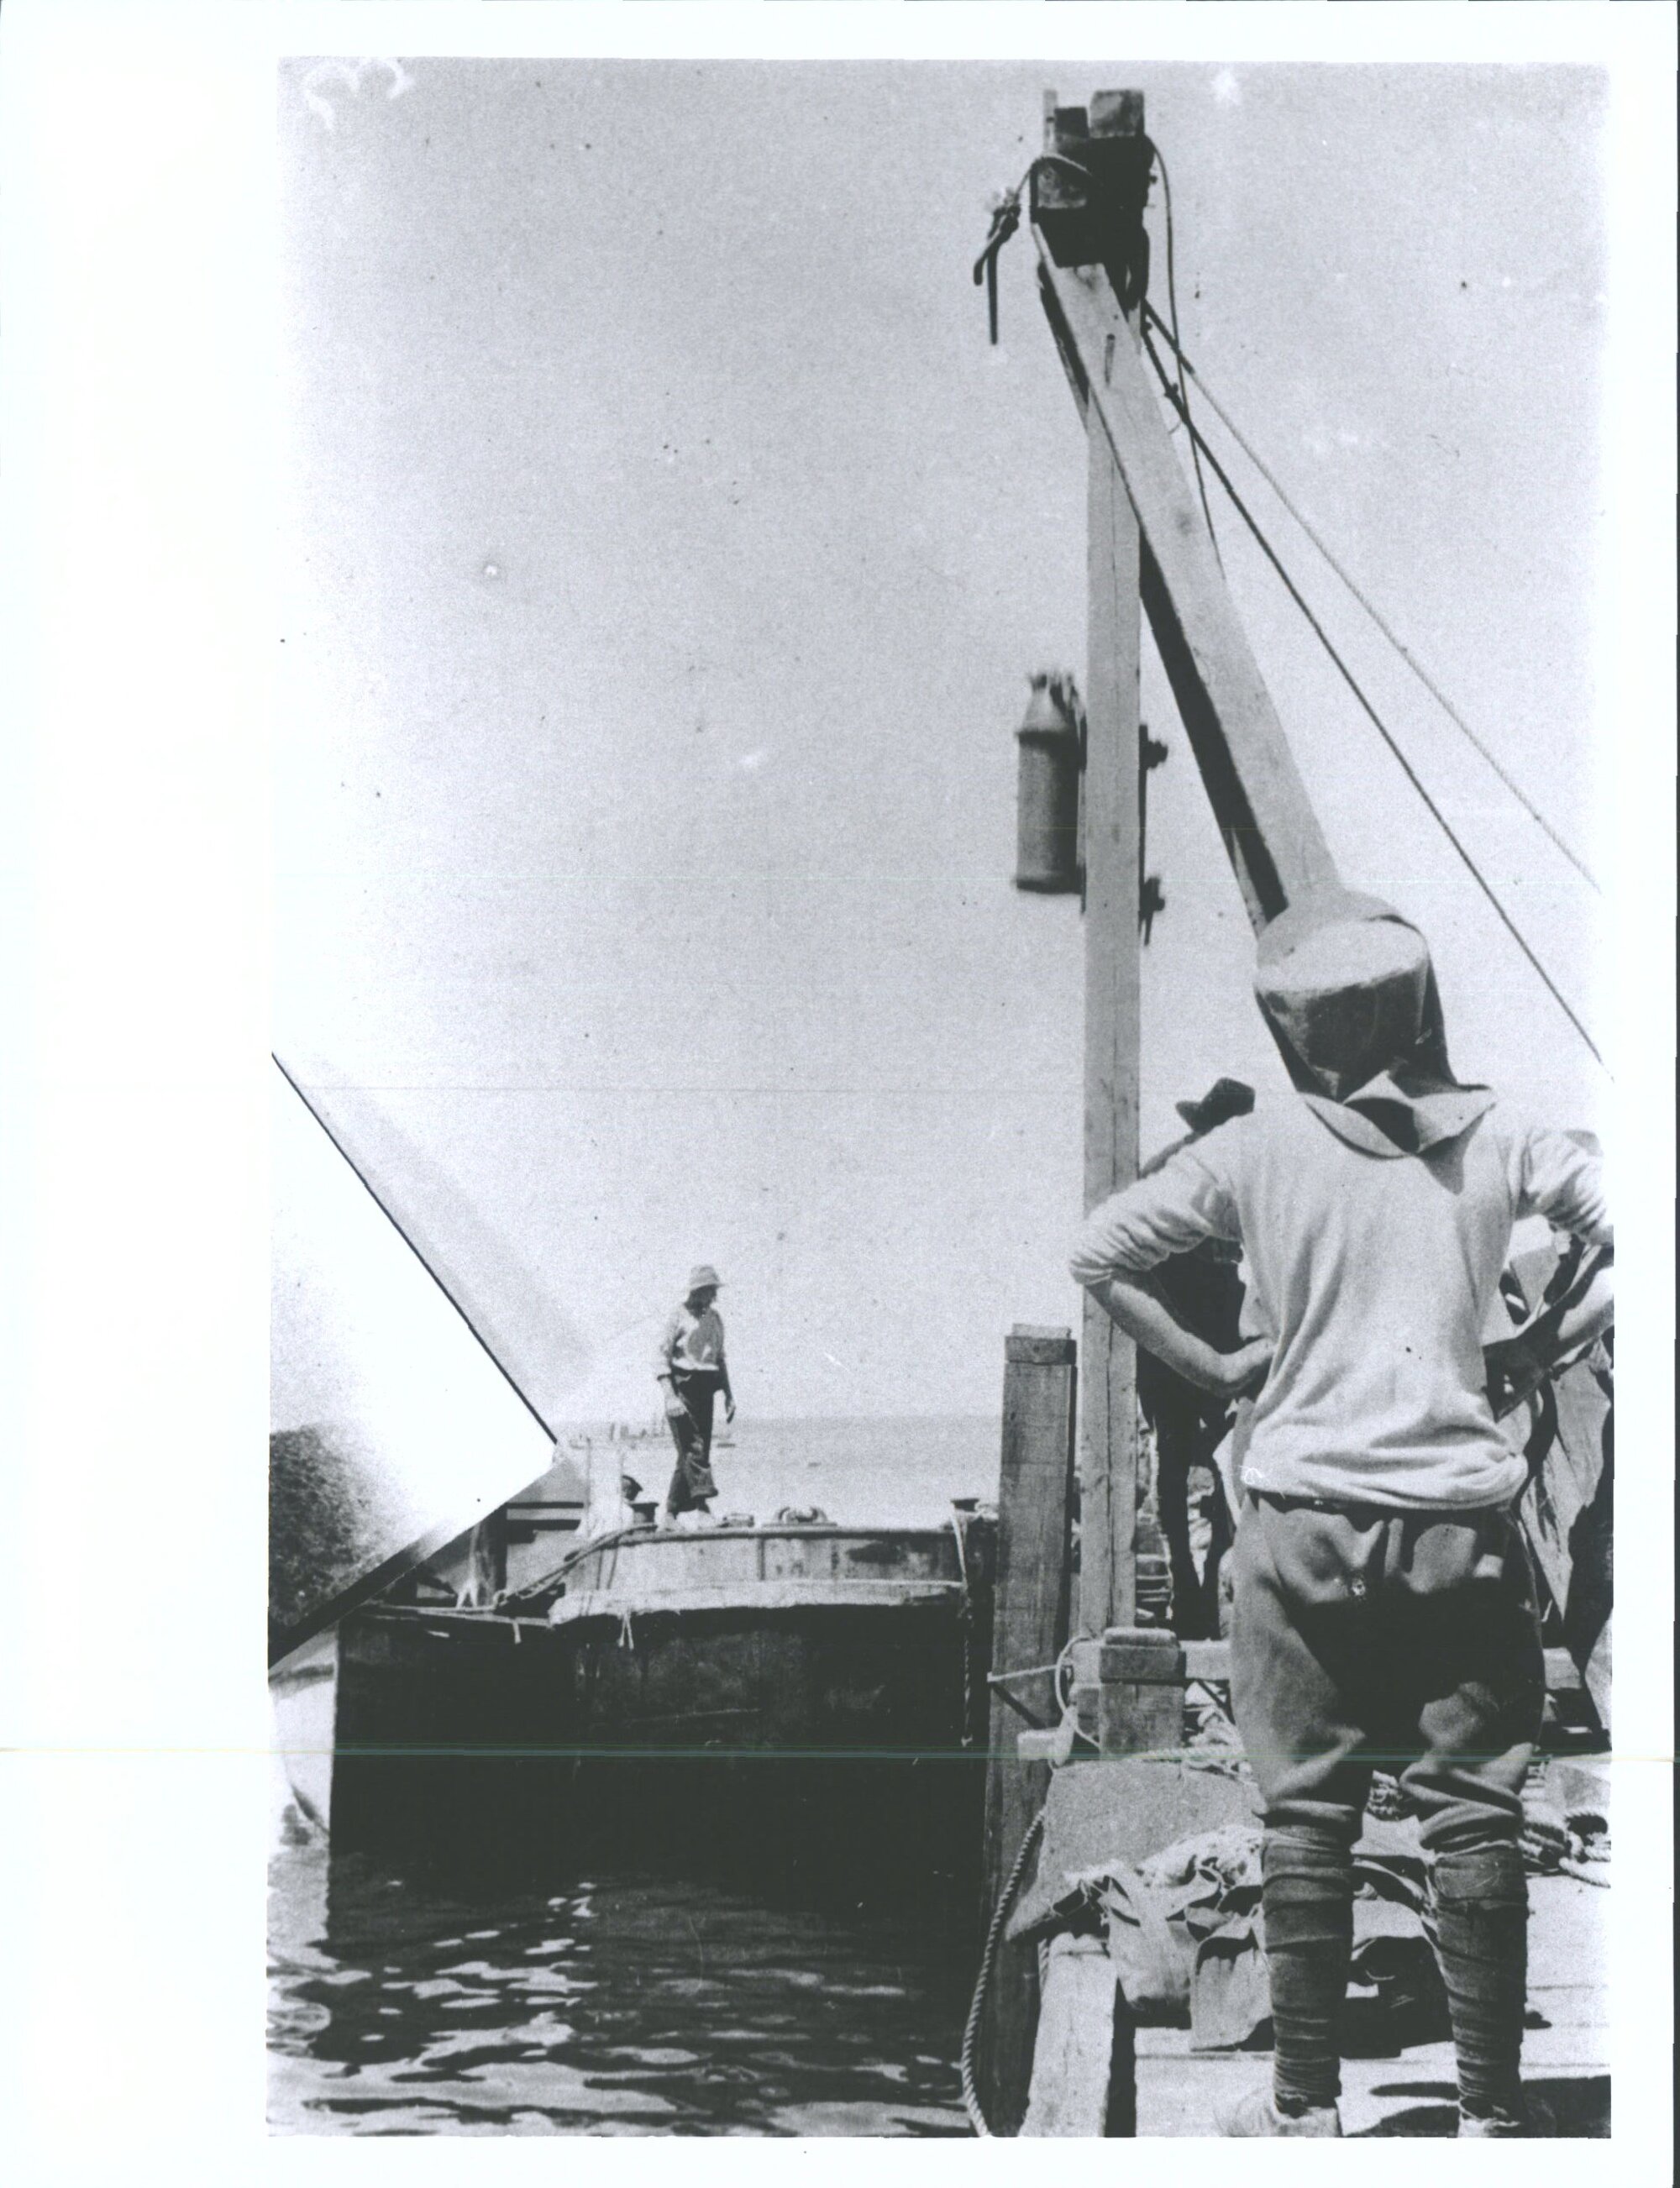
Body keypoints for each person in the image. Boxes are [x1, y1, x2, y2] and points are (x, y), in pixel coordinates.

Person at [1068, 889, 1611, 2139]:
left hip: (1300, 1524)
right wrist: (1539, 1348)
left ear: (1296, 1030)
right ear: (1419, 1010)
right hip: (1460, 1531)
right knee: (1476, 1809)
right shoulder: (1509, 1139)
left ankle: (1304, 2109)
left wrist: (1212, 1372)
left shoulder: (1251, 1150)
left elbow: (1099, 1253)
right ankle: (1490, 2112)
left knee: (1303, 1813)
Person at [1136, 1077, 1255, 1636]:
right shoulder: (1168, 1171)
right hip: (1172, 1347)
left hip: (1225, 1340)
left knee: (1229, 1459)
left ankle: (1216, 1584)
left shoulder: (1247, 1179)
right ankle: (1188, 1585)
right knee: (1176, 1464)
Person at [656, 1265, 736, 1524]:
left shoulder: (715, 1319)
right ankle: (702, 1508)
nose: (713, 1296)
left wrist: (728, 1395)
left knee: (692, 1452)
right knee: (693, 1448)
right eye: (710, 1291)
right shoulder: (677, 1316)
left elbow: (719, 1358)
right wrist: (670, 1396)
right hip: (682, 1387)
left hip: (706, 1387)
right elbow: (661, 1358)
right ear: (698, 1291)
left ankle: (670, 1513)